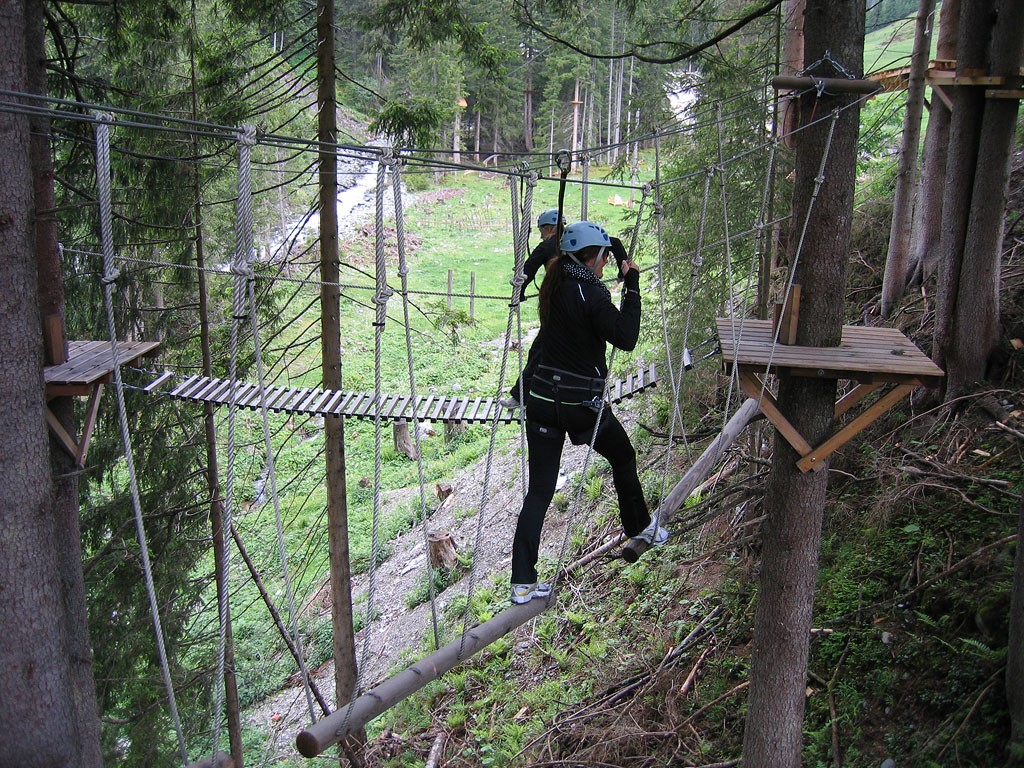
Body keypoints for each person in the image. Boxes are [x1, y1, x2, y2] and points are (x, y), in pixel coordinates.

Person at [510, 221, 667, 604]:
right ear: (591, 257)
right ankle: (640, 527)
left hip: (543, 403)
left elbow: (542, 344)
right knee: (622, 455)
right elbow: (626, 338)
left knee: (541, 489)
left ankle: (522, 582)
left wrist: (614, 248)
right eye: (602, 260)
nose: (603, 268)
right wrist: (631, 284)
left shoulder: (555, 285)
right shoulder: (591, 296)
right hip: (582, 407)